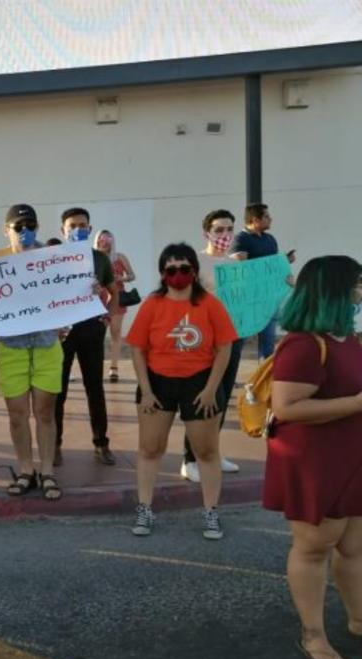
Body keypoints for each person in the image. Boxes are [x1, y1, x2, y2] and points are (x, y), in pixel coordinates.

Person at [265, 256, 362, 659]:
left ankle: (358, 618)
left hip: (349, 455)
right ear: (335, 291)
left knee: (354, 547)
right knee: (314, 548)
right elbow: (286, 407)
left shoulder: (346, 338)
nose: (360, 292)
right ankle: (313, 634)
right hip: (315, 461)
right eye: (356, 285)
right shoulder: (304, 344)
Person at [126, 243, 237, 539]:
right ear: (163, 274)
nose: (178, 275)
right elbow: (137, 349)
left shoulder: (211, 304)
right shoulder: (152, 303)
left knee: (206, 451)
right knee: (150, 449)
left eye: (184, 269)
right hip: (158, 383)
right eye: (171, 270)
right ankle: (144, 509)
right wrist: (147, 391)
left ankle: (211, 512)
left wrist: (212, 388)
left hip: (200, 382)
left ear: (195, 272)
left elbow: (224, 347)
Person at [0, 204, 64, 501]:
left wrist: (85, 291)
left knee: (45, 413)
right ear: (6, 230)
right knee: (17, 415)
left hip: (46, 345)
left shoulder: (53, 262)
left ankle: (47, 471)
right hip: (11, 347)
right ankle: (26, 470)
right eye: (18, 227)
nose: (25, 232)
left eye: (31, 226)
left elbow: (69, 296)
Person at [179, 210, 243, 482]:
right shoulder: (195, 262)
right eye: (218, 230)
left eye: (229, 229)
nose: (224, 235)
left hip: (233, 337)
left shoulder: (237, 263)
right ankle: (189, 459)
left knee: (223, 396)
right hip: (205, 341)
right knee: (203, 397)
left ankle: (211, 452)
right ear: (206, 233)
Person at [53, 208, 116, 467]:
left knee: (95, 389)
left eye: (83, 225)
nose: (78, 229)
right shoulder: (51, 259)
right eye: (73, 225)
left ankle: (101, 443)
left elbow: (113, 292)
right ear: (63, 230)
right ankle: (54, 445)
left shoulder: (100, 259)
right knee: (59, 390)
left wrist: (107, 315)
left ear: (90, 229)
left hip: (91, 329)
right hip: (63, 332)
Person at [231, 203, 296, 359]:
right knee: (239, 339)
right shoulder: (241, 239)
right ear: (255, 220)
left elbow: (272, 266)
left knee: (268, 343)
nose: (270, 219)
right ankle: (228, 375)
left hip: (268, 298)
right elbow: (240, 267)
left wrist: (285, 261)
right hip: (248, 300)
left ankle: (264, 380)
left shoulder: (270, 239)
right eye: (267, 216)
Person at [94, 229, 136, 382]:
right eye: (101, 239)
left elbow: (132, 275)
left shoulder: (119, 257)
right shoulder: (93, 258)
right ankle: (96, 367)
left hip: (117, 298)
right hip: (97, 300)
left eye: (107, 239)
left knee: (115, 333)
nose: (104, 243)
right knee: (97, 334)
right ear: (97, 240)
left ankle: (114, 367)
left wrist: (121, 278)